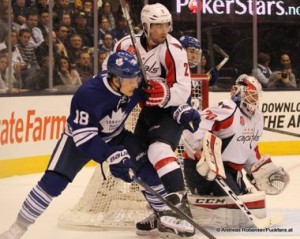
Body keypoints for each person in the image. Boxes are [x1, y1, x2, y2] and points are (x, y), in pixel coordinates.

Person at [0, 51, 144, 239]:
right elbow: (84, 137)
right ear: (116, 79)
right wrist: (110, 154)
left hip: (116, 135)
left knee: (145, 163)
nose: (135, 83)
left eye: (136, 78)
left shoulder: (136, 84)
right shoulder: (88, 93)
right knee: (52, 183)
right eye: (129, 79)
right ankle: (17, 229)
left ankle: (162, 213)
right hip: (78, 139)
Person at [112, 3, 200, 237]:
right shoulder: (124, 45)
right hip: (148, 109)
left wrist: (165, 93)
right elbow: (108, 73)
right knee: (140, 161)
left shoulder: (173, 49)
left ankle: (182, 211)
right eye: (158, 25)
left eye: (166, 24)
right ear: (145, 26)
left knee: (159, 149)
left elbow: (183, 89)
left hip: (173, 108)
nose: (164, 30)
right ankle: (160, 211)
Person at [182, 74, 290, 225]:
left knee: (251, 205)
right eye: (251, 96)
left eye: (256, 97)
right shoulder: (228, 108)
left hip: (229, 172)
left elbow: (250, 149)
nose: (255, 101)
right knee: (237, 211)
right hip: (202, 169)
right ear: (239, 93)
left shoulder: (258, 118)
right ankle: (190, 202)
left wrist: (255, 171)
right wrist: (201, 151)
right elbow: (194, 127)